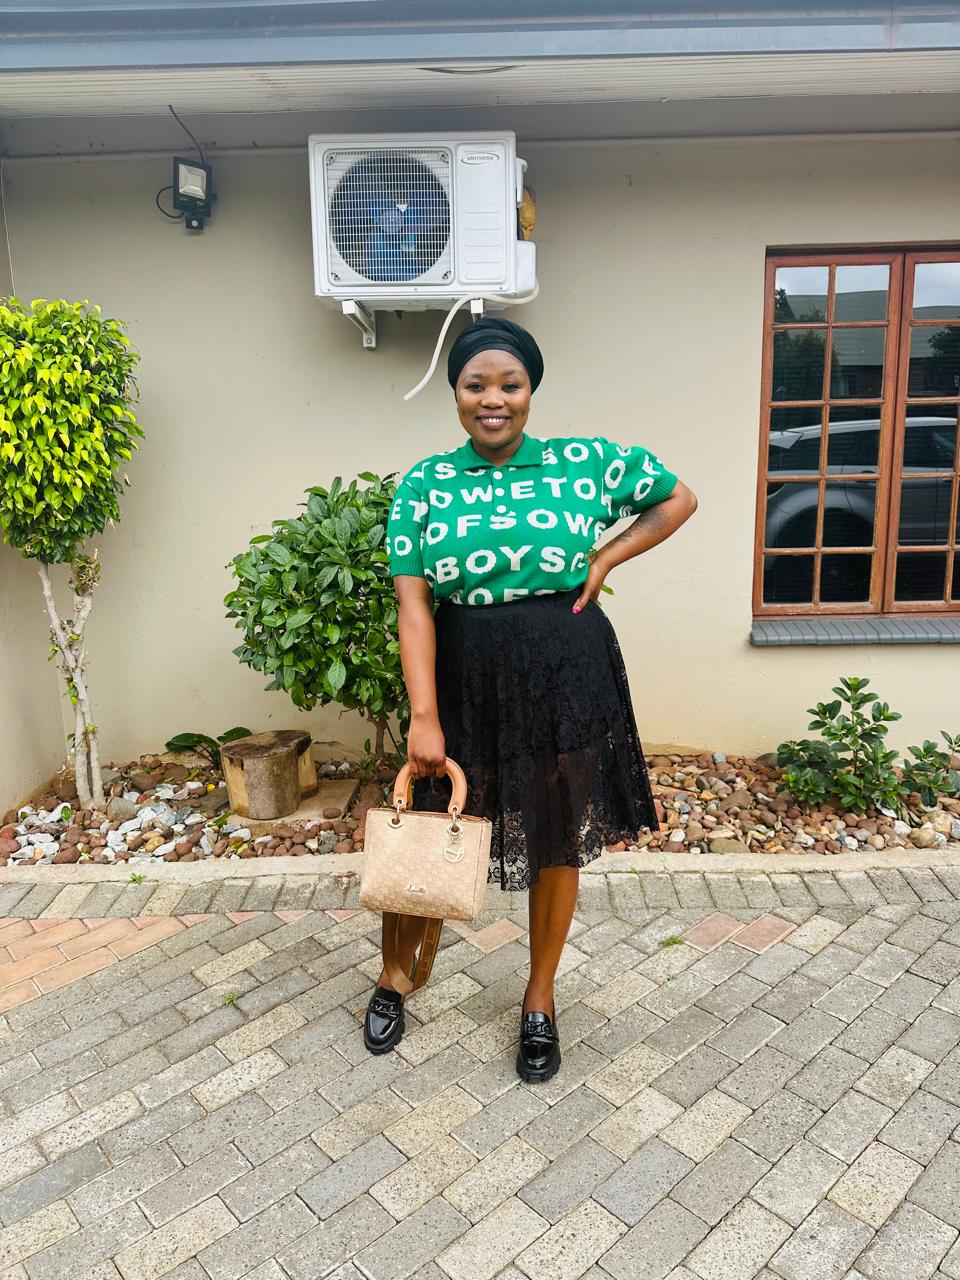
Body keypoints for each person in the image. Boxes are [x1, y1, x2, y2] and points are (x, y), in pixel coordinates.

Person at [364, 315, 698, 1082]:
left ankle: (539, 999)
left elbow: (678, 499)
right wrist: (423, 715)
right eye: (475, 384)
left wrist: (606, 556)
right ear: (456, 392)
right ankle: (395, 974)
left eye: (509, 384)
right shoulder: (424, 482)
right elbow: (414, 606)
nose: (494, 399)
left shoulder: (586, 464)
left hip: (564, 671)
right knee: (427, 819)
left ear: (529, 391)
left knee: (555, 834)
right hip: (464, 672)